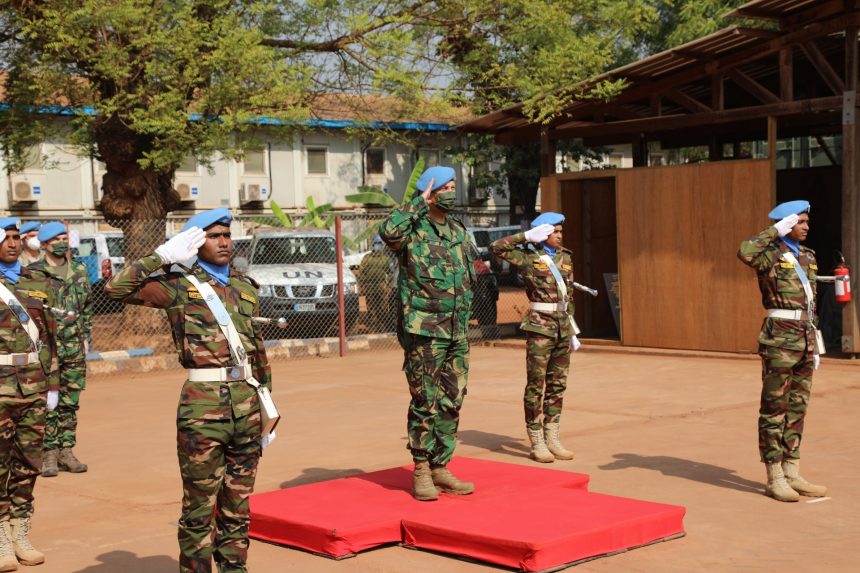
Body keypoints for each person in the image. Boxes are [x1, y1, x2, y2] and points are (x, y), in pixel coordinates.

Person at [104, 208, 274, 572]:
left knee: (238, 508)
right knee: (198, 509)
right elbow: (115, 287)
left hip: (247, 407)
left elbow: (256, 351)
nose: (224, 242)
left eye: (227, 234)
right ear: (195, 243)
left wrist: (267, 411)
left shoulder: (245, 286)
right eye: (213, 236)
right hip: (202, 411)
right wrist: (162, 256)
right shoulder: (177, 286)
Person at [380, 165, 475, 502]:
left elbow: (468, 272)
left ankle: (440, 465)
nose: (451, 191)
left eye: (453, 185)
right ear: (430, 192)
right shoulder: (413, 228)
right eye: (444, 187)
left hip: (457, 330)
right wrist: (418, 203)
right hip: (425, 330)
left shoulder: (457, 230)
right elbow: (388, 232)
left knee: (453, 399)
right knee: (426, 400)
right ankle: (420, 468)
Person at [738, 200, 827, 502]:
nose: (806, 226)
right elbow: (744, 252)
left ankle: (792, 470)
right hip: (780, 340)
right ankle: (774, 474)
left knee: (797, 407)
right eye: (800, 221)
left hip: (805, 337)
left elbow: (810, 302)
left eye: (806, 221)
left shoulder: (808, 256)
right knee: (774, 409)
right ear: (787, 223)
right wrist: (774, 231)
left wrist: (815, 342)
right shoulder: (768, 254)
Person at [490, 213, 579, 463]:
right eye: (555, 231)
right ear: (542, 234)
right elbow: (495, 248)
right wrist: (525, 236)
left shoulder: (566, 257)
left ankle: (553, 436)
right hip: (540, 328)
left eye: (561, 231)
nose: (560, 235)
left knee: (557, 385)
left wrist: (572, 328)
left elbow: (567, 296)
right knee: (536, 385)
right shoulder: (528, 257)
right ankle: (536, 439)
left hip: (562, 327)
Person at [0, 217, 59, 569]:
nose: (12, 243)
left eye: (16, 238)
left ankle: (20, 530)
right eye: (5, 238)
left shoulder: (38, 282)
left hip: (34, 386)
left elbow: (50, 338)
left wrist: (52, 384)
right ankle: (0, 537)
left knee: (28, 463)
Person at [27, 222, 92, 476]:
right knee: (48, 401)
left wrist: (86, 336)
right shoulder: (33, 273)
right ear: (44, 245)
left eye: (63, 237)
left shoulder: (79, 270)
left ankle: (67, 450)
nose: (61, 242)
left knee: (70, 401)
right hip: (47, 348)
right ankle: (49, 452)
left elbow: (86, 308)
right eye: (55, 239)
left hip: (74, 347)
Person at [357, 236, 395, 331]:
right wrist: (362, 284)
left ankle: (381, 325)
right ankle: (373, 326)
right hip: (369, 286)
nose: (378, 246)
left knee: (382, 307)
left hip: (381, 286)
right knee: (371, 307)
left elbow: (390, 272)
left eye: (380, 244)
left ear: (382, 245)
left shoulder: (386, 259)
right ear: (373, 245)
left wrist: (388, 285)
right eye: (376, 244)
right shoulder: (367, 258)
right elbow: (361, 272)